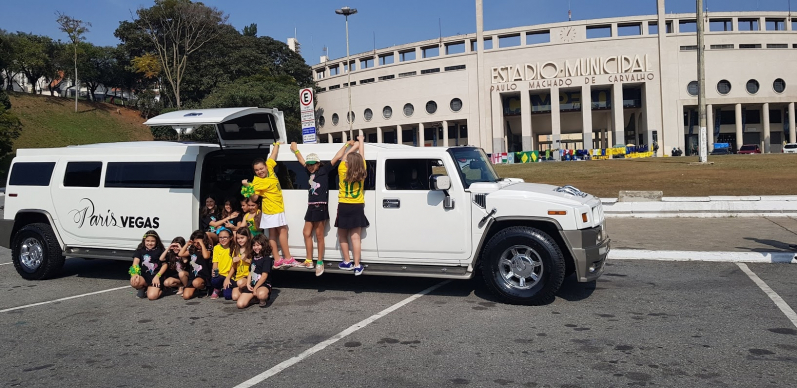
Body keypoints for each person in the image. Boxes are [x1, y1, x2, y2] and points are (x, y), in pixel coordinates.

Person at [242, 142, 297, 268]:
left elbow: (273, 155)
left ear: (266, 167)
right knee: (282, 231)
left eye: (261, 168)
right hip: (272, 210)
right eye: (256, 170)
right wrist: (248, 186)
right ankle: (287, 258)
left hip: (274, 209)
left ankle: (277, 260)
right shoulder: (257, 182)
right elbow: (254, 198)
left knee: (272, 234)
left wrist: (276, 144)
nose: (259, 171)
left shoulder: (270, 169)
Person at [290, 141, 340, 275]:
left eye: (313, 164)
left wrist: (347, 145)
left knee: (319, 235)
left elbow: (336, 158)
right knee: (306, 233)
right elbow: (301, 160)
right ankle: (309, 260)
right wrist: (295, 149)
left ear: (318, 164)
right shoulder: (308, 171)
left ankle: (319, 262)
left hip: (321, 206)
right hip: (310, 207)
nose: (310, 166)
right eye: (309, 164)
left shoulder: (324, 170)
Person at [335, 135, 369, 275]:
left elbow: (342, 157)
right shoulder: (362, 171)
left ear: (348, 163)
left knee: (342, 235)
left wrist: (352, 145)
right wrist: (361, 141)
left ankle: (347, 261)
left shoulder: (342, 170)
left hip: (344, 205)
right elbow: (361, 155)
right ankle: (357, 265)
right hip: (357, 206)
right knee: (356, 238)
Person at [236, 233, 273, 308]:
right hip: (253, 284)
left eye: (258, 245)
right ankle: (254, 298)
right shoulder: (254, 257)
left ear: (264, 245)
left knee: (261, 295)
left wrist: (255, 288)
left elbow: (264, 276)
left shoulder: (267, 259)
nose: (256, 247)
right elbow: (251, 272)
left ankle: (262, 299)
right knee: (240, 304)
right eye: (254, 245)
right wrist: (248, 284)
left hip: (263, 284)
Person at [129, 230, 166, 300]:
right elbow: (135, 262)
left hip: (156, 277)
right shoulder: (140, 249)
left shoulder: (160, 250)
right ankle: (142, 288)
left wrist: (157, 276)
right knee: (134, 281)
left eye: (152, 241)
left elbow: (165, 265)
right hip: (145, 277)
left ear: (156, 241)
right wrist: (134, 274)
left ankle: (164, 289)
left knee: (151, 297)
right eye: (147, 241)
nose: (150, 243)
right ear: (144, 241)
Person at [179, 230, 212, 300]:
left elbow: (206, 256)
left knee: (196, 283)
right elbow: (180, 254)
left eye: (199, 242)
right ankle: (195, 289)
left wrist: (202, 244)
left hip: (203, 276)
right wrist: (187, 244)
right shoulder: (192, 250)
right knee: (186, 296)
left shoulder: (208, 249)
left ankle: (204, 288)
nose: (197, 244)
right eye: (195, 243)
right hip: (193, 276)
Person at [228, 228, 253, 304]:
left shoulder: (251, 249)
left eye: (242, 238)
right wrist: (228, 278)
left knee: (240, 283)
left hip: (247, 276)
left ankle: (251, 292)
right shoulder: (236, 249)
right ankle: (247, 295)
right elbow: (234, 267)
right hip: (238, 276)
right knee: (235, 297)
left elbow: (256, 264)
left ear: (248, 237)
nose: (240, 240)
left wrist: (247, 260)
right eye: (238, 238)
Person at [210, 229, 234, 300]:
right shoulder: (216, 248)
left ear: (231, 237)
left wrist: (228, 278)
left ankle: (225, 288)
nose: (222, 239)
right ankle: (217, 289)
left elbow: (234, 266)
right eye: (220, 237)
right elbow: (215, 262)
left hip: (230, 275)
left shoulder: (234, 248)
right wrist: (214, 271)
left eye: (225, 237)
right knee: (215, 280)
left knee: (228, 296)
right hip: (220, 274)